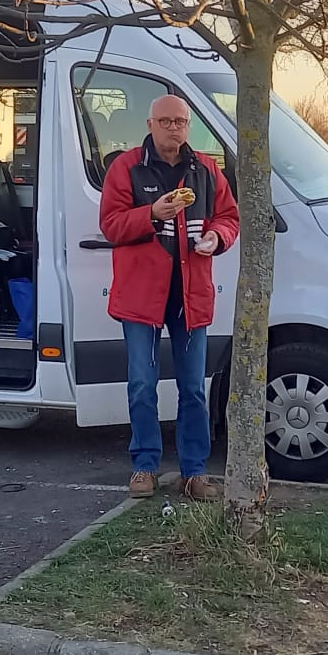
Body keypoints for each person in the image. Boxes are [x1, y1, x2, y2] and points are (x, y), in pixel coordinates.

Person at [99, 95, 241, 501]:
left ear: (188, 126)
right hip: (141, 297)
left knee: (194, 387)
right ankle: (145, 466)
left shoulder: (207, 169)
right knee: (142, 384)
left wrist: (217, 237)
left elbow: (229, 217)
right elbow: (110, 225)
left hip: (191, 296)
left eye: (180, 121)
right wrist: (152, 215)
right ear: (150, 123)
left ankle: (194, 473)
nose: (174, 128)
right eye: (166, 121)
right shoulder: (126, 167)